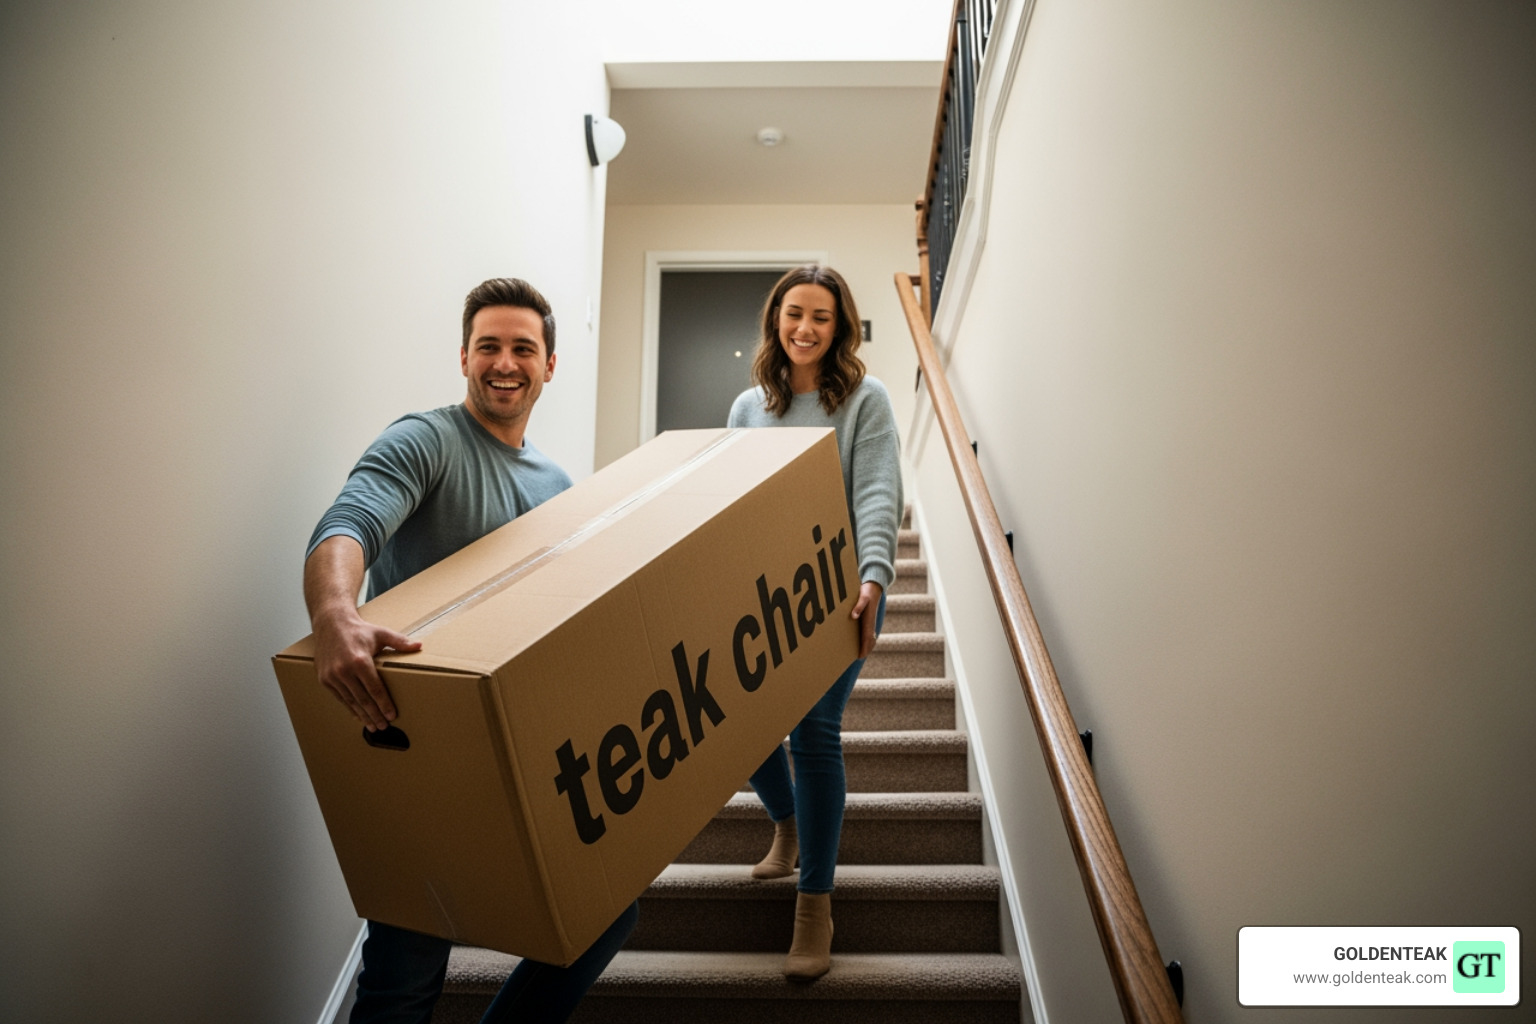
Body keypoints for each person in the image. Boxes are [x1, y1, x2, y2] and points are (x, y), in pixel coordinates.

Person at [302, 278, 638, 1024]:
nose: (505, 361)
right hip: (418, 751)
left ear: (551, 366)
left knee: (605, 914)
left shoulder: (558, 486)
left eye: (524, 347)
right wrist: (334, 614)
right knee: (405, 977)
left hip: (528, 752)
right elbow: (350, 521)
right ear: (464, 357)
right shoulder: (426, 440)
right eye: (489, 345)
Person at [727, 265, 903, 980]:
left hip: (840, 589)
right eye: (793, 313)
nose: (804, 327)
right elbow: (733, 507)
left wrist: (874, 577)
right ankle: (790, 823)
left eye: (821, 317)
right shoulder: (747, 406)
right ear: (776, 319)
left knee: (814, 730)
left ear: (842, 326)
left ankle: (814, 909)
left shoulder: (865, 399)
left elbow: (878, 490)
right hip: (763, 592)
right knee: (736, 723)